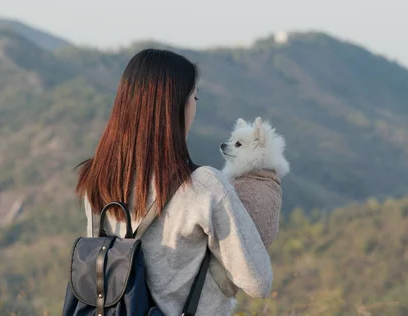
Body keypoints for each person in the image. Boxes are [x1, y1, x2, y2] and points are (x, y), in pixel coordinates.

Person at [74, 48, 273, 315]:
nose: (195, 106)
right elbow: (258, 282)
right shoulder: (204, 185)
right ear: (176, 106)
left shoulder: (96, 178)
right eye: (195, 96)